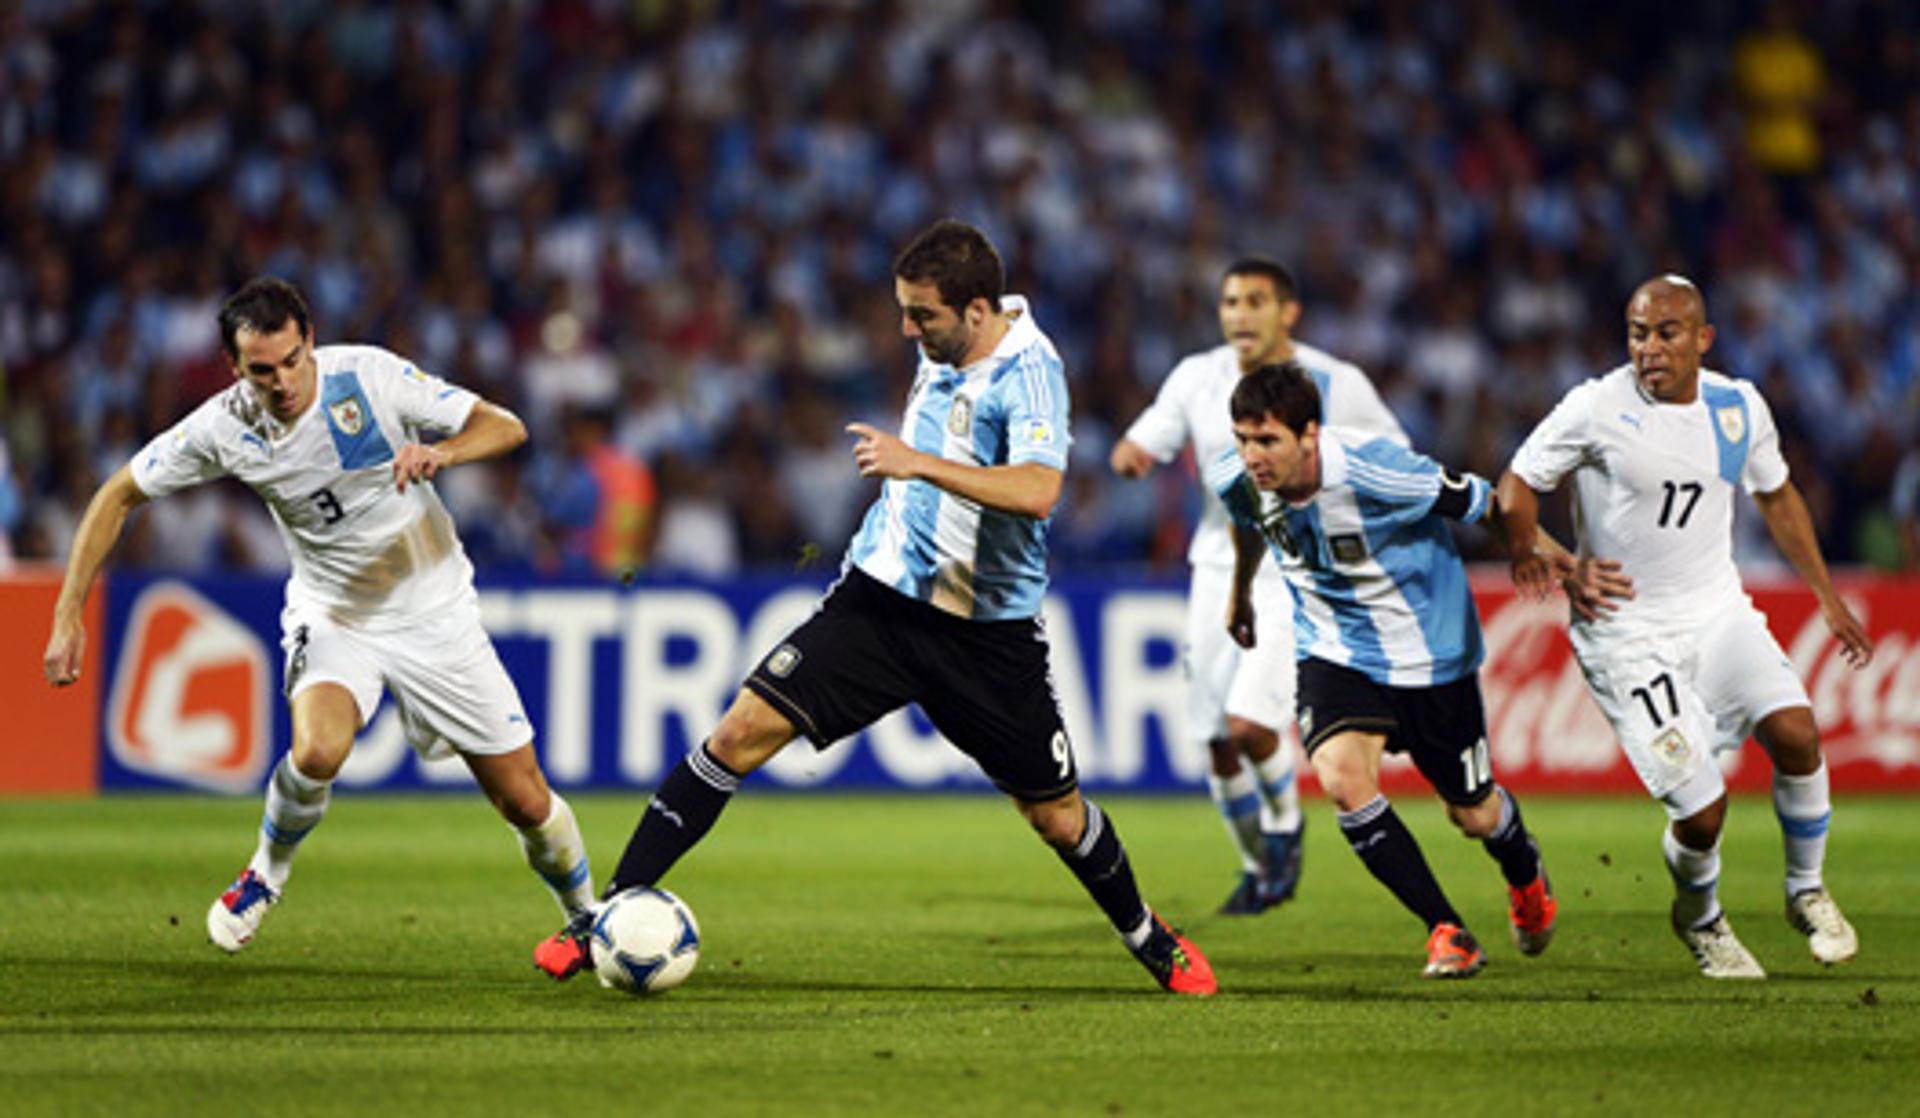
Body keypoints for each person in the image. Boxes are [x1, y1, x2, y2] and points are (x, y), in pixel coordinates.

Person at [533, 219, 1216, 995]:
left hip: (984, 636)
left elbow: (1038, 490)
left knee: (1058, 818)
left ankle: (1149, 935)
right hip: (880, 601)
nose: (905, 327)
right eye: (904, 309)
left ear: (978, 310)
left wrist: (914, 464)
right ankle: (602, 919)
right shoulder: (950, 338)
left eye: (921, 315)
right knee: (740, 730)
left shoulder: (1030, 374)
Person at [42, 277, 594, 955]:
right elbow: (117, 494)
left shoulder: (371, 376)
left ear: (310, 342)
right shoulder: (224, 427)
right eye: (261, 371)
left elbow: (507, 426)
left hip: (436, 611)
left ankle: (586, 916)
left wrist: (440, 451)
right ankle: (264, 875)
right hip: (336, 616)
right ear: (234, 368)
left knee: (525, 801)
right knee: (318, 749)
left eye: (292, 360)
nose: (281, 383)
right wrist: (68, 612)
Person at [1498, 275, 1874, 979]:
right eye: (1638, 333)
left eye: (1667, 333)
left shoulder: (1738, 408)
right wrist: (1555, 560)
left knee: (1796, 732)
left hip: (1717, 611)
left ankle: (1806, 891)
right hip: (1626, 632)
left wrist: (1825, 594)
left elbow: (1777, 493)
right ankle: (1699, 918)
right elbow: (1513, 489)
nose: (1649, 349)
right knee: (1703, 811)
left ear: (1703, 339)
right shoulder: (1595, 407)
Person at [1213, 363, 1596, 978]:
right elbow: (1247, 526)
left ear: (1309, 434)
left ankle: (1523, 867)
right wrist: (1240, 594)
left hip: (1432, 657)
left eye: (1267, 441)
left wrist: (1554, 559)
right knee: (1340, 776)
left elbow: (1489, 506)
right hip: (1335, 652)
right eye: (1243, 439)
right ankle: (1448, 931)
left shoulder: (1377, 470)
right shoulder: (1238, 479)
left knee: (1472, 814)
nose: (1252, 456)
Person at [1110, 259, 1407, 915]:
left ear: (1288, 312)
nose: (1239, 314)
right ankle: (1257, 870)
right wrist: (1131, 456)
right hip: (1218, 563)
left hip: (1298, 572)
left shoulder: (1338, 382)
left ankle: (1283, 830)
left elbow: (1397, 458)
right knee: (1215, 742)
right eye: (1229, 302)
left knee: (1249, 724)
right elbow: (1142, 441)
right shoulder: (1197, 376)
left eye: (1255, 301)